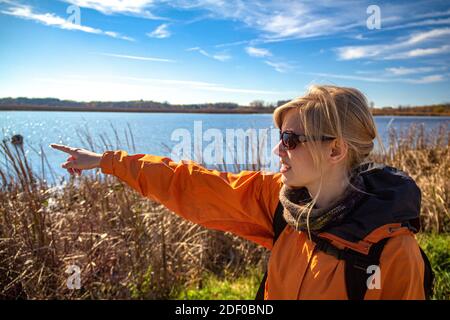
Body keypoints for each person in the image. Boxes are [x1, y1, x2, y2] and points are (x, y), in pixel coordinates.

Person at [50, 85, 431, 300]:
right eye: (280, 137)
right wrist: (106, 161)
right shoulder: (280, 202)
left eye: (291, 139)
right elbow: (190, 183)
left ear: (335, 150)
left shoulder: (392, 253)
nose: (278, 150)